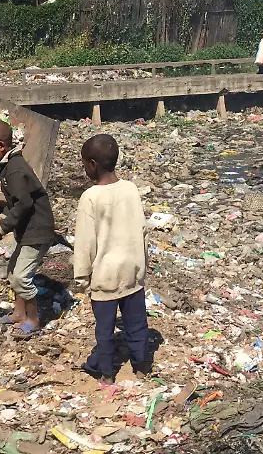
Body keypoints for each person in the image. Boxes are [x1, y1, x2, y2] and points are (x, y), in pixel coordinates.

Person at [74, 134, 150, 383]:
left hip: (104, 276)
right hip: (132, 270)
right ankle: (141, 365)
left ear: (93, 164)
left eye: (84, 164)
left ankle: (106, 373)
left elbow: (85, 243)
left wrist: (82, 277)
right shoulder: (130, 189)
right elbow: (142, 230)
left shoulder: (90, 197)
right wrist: (143, 264)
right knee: (137, 323)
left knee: (105, 330)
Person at [0, 119, 55, 341]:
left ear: (1, 146)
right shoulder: (8, 166)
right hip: (27, 227)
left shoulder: (15, 170)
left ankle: (33, 320)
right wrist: (1, 218)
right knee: (13, 272)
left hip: (37, 230)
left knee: (21, 277)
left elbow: (24, 203)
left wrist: (2, 227)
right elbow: (14, 202)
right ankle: (19, 313)